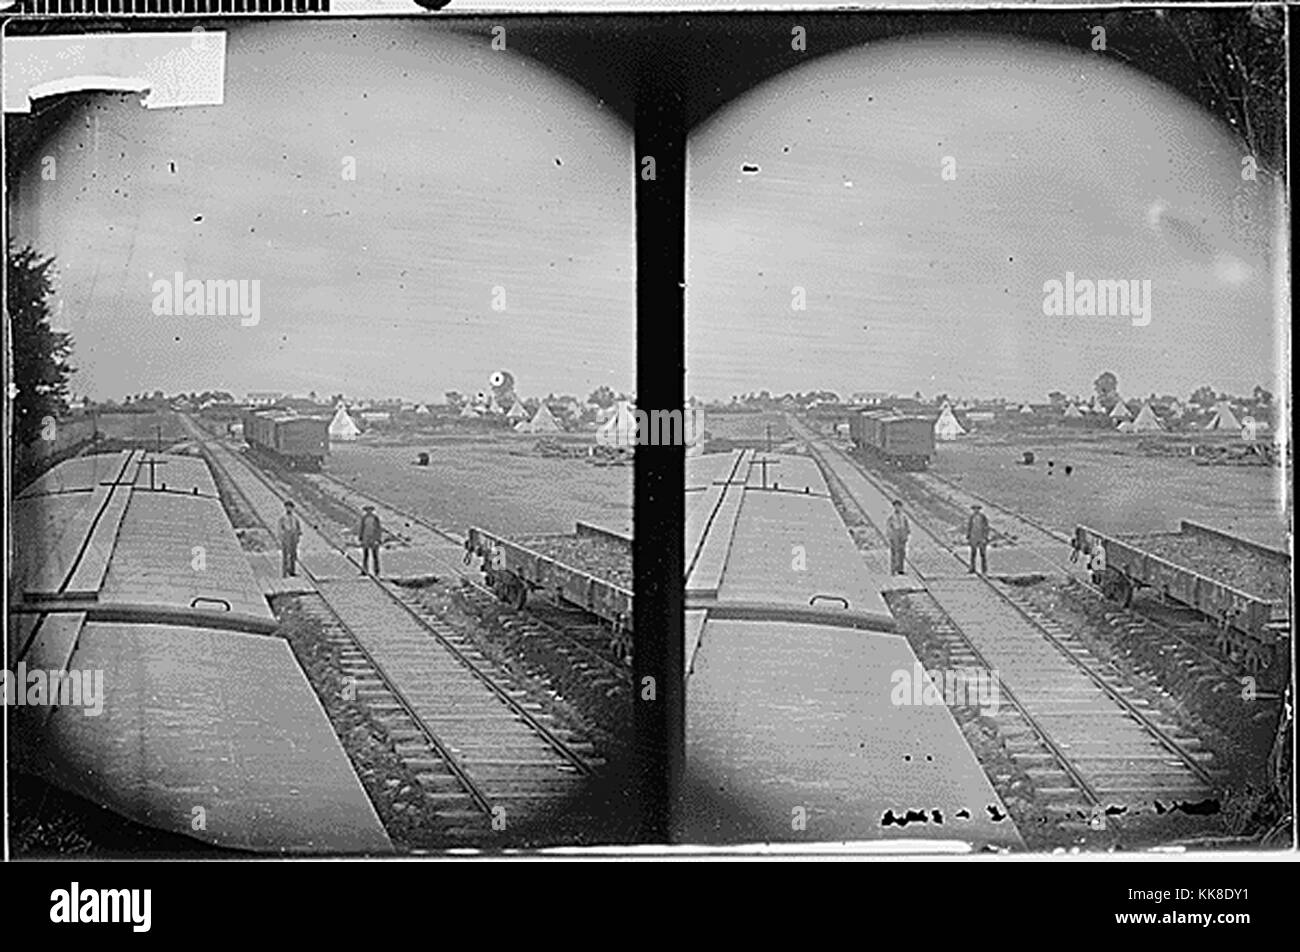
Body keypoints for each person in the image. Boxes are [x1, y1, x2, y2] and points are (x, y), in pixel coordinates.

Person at [885, 500, 910, 575]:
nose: (897, 508)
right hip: (895, 534)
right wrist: (891, 536)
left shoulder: (904, 517)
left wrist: (906, 535)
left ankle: (900, 569)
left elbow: (907, 527)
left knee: (902, 552)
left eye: (898, 506)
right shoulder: (891, 517)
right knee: (894, 552)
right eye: (895, 506)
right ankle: (893, 569)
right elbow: (889, 527)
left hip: (902, 534)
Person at [278, 500, 302, 578]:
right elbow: (280, 529)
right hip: (286, 537)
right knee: (285, 555)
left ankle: (292, 571)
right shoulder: (282, 518)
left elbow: (298, 528)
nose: (289, 509)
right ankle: (284, 572)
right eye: (287, 507)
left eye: (290, 507)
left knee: (293, 555)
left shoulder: (295, 518)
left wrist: (298, 537)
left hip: (293, 537)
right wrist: (282, 537)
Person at [359, 505, 382, 576]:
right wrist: (361, 537)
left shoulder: (376, 518)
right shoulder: (364, 518)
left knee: (375, 555)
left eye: (370, 510)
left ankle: (376, 570)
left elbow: (378, 529)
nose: (369, 512)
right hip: (366, 539)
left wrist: (378, 539)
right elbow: (362, 528)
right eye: (367, 510)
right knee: (365, 555)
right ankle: (364, 570)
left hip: (374, 539)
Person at [966, 503, 989, 574]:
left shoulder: (983, 517)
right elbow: (969, 527)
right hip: (974, 537)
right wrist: (968, 535)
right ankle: (972, 568)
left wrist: (985, 537)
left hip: (981, 537)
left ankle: (984, 569)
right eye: (974, 509)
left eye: (977, 509)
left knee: (982, 554)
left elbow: (986, 527)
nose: (976, 510)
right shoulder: (971, 517)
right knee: (973, 554)